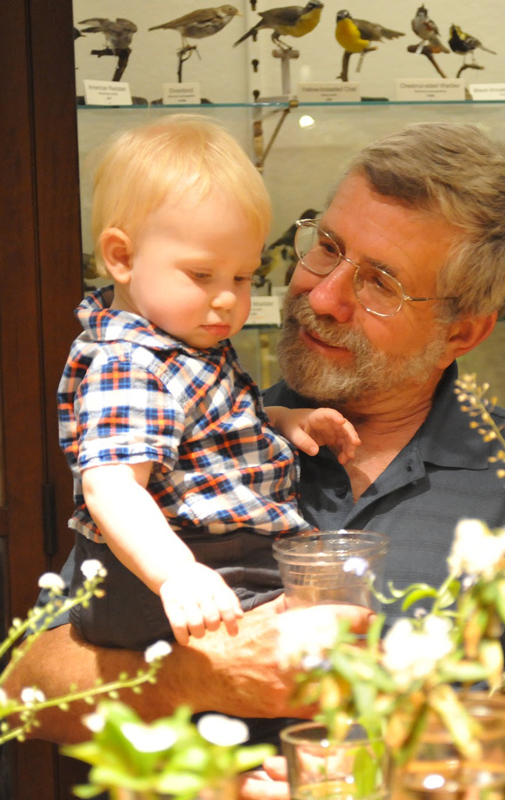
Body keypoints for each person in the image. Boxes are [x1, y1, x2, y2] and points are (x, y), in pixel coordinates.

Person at [7, 121, 505, 791]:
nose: (323, 296)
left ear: (463, 330)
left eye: (380, 284)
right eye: (326, 247)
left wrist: (396, 779)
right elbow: (26, 689)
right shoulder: (200, 437)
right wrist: (192, 682)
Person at [59, 115, 359, 651]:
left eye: (243, 277)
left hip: (218, 557)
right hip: (176, 567)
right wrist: (177, 573)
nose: (227, 298)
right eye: (202, 275)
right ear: (122, 258)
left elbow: (210, 426)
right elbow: (111, 487)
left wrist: (286, 420)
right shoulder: (131, 363)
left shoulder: (187, 345)